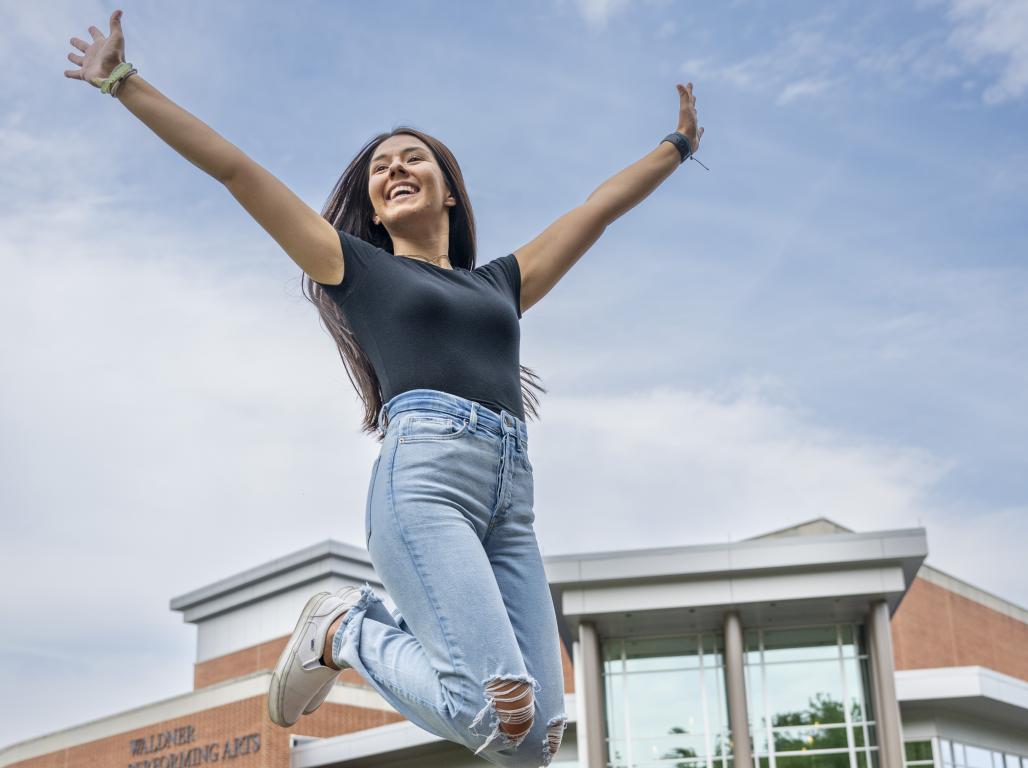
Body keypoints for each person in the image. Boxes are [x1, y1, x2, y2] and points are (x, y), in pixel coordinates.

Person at [64, 10, 703, 768]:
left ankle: (351, 638)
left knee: (533, 740)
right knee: (492, 704)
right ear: (371, 205)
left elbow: (596, 210)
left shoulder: (501, 281)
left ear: (450, 192)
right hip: (424, 481)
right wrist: (123, 83)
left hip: (511, 498)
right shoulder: (357, 270)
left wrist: (678, 146)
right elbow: (238, 171)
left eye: (413, 159)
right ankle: (344, 631)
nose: (394, 168)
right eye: (379, 168)